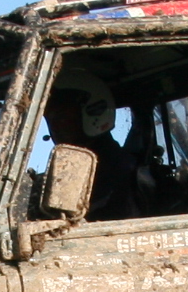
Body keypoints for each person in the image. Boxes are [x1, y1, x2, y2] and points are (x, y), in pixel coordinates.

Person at [39, 70, 151, 222]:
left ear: (94, 111)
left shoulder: (119, 170)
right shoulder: (74, 168)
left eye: (61, 115)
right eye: (49, 118)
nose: (55, 126)